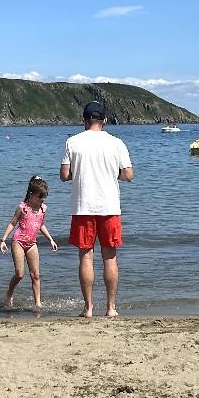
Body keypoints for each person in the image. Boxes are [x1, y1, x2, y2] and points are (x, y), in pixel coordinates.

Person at [60, 100, 133, 317]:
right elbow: (128, 175)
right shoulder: (116, 143)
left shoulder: (72, 142)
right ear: (105, 120)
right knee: (110, 257)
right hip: (109, 206)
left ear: (84, 120)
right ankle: (111, 308)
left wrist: (80, 173)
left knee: (86, 257)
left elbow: (64, 175)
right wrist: (112, 174)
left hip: (83, 206)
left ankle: (88, 308)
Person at [0, 175, 58, 310]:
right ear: (31, 195)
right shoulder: (22, 207)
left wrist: (51, 239)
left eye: (44, 197)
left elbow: (41, 224)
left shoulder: (43, 209)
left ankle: (38, 303)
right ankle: (9, 293)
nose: (42, 200)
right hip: (18, 242)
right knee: (20, 274)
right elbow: (13, 223)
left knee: (35, 274)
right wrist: (3, 240)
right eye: (39, 197)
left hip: (32, 244)